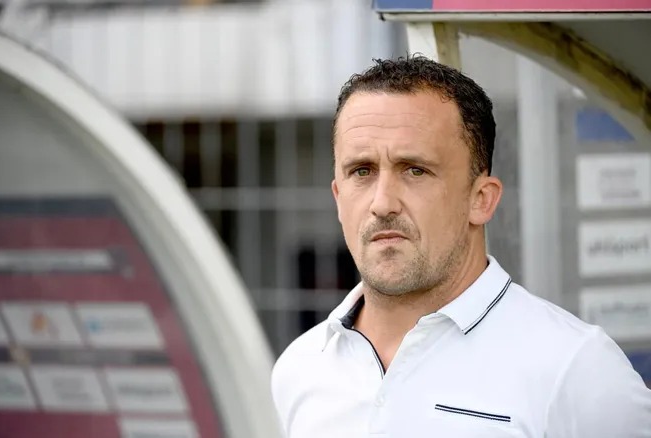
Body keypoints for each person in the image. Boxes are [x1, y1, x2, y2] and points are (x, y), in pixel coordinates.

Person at [271, 56, 651, 438]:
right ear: (338, 198)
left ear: (481, 199)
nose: (382, 203)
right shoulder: (301, 369)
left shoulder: (578, 372)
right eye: (362, 171)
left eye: (415, 169)